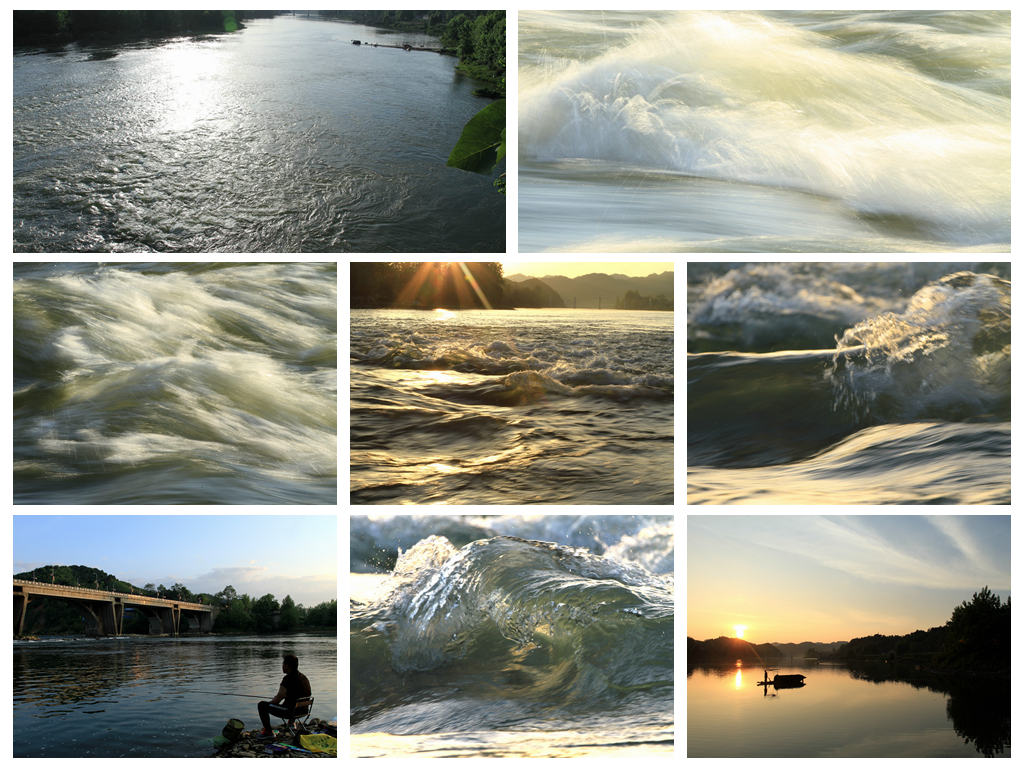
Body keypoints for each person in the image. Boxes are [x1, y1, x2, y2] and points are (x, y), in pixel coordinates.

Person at [258, 653, 312, 739]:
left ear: (287, 666)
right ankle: (291, 724)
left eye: (283, 664)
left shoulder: (287, 679)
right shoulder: (304, 678)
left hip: (291, 712)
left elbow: (278, 699)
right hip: (304, 711)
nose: (282, 666)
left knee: (262, 705)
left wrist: (270, 703)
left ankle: (268, 732)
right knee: (293, 701)